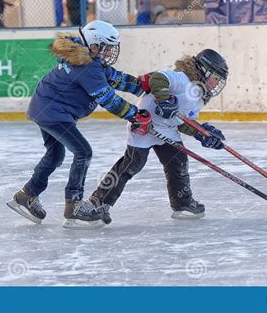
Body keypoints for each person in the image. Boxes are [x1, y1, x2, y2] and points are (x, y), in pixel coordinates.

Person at [6, 20, 151, 228]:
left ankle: (25, 196)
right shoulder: (87, 67)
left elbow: (115, 78)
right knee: (83, 152)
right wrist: (135, 115)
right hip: (54, 114)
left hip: (45, 109)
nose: (110, 53)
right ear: (94, 45)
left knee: (55, 155)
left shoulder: (89, 61)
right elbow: (107, 99)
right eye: (107, 48)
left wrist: (143, 87)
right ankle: (73, 205)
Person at [88, 49, 229, 225]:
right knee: (132, 164)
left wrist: (201, 133)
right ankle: (98, 203)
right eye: (215, 78)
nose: (216, 84)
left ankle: (182, 204)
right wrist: (164, 99)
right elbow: (157, 78)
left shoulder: (199, 98)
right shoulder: (181, 79)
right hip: (144, 125)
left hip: (167, 130)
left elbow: (182, 121)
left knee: (178, 162)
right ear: (204, 70)